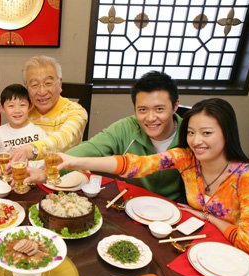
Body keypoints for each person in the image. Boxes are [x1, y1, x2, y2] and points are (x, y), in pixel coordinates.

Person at [28, 98, 249, 265]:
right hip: (198, 242)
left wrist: (208, 217)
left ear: (227, 132)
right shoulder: (185, 158)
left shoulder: (247, 174)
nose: (196, 141)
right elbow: (133, 165)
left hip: (237, 258)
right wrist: (72, 161)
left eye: (207, 133)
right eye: (191, 132)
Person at [66, 71, 184, 202]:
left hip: (176, 210)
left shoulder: (191, 135)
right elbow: (91, 148)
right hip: (132, 205)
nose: (150, 118)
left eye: (159, 109)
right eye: (142, 110)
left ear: (175, 106)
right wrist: (50, 167)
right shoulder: (127, 127)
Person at [10, 55, 88, 162]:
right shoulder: (23, 113)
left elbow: (64, 138)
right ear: (27, 88)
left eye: (48, 83)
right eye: (34, 85)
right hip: (28, 175)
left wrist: (32, 149)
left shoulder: (76, 112)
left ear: (59, 84)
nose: (42, 92)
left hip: (66, 174)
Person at [0, 84, 46, 169]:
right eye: (11, 106)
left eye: (22, 105)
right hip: (8, 176)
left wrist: (24, 165)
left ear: (30, 106)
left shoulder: (38, 132)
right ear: (2, 108)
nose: (17, 110)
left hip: (32, 176)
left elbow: (44, 160)